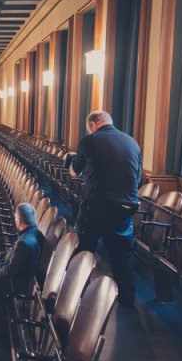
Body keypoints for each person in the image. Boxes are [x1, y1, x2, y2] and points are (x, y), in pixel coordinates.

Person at [70, 110, 141, 308]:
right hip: (126, 207)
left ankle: (79, 292)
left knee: (84, 248)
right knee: (122, 255)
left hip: (99, 206)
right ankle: (127, 301)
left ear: (93, 125)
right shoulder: (132, 142)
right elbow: (137, 177)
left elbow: (75, 172)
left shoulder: (89, 141)